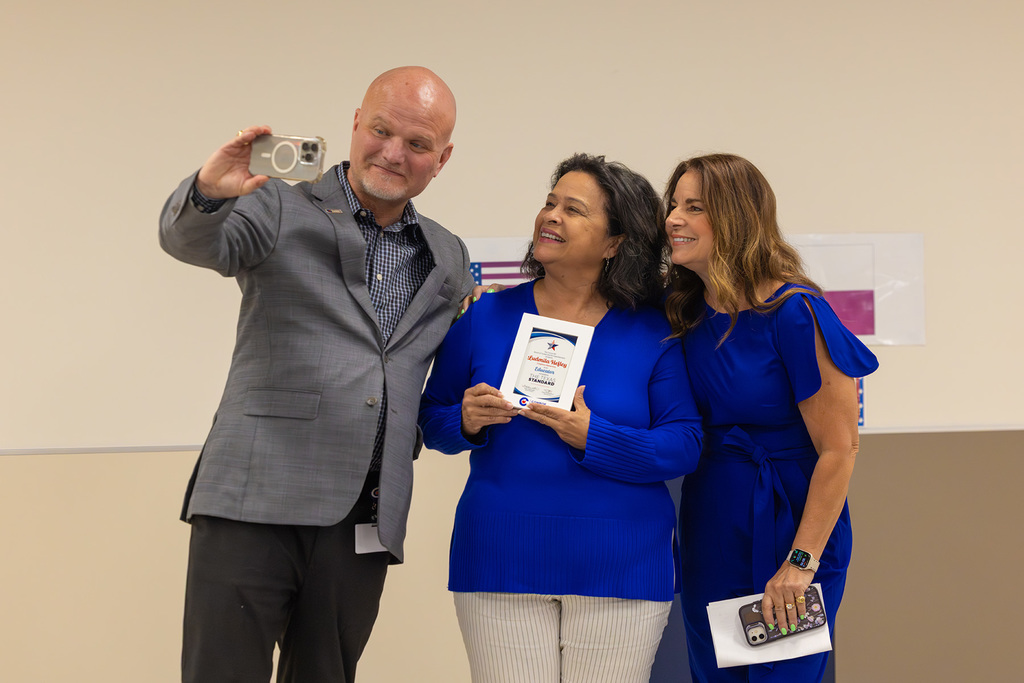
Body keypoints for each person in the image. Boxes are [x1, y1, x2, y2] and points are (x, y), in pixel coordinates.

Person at [158, 66, 475, 683]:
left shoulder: (450, 255)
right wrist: (207, 192)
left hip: (365, 513)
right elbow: (190, 242)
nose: (393, 153)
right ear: (356, 124)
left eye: (417, 144)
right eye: (382, 130)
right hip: (254, 501)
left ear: (442, 158)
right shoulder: (277, 203)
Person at [418, 153, 704, 683]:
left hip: (623, 565)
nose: (551, 216)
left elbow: (683, 444)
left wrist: (595, 436)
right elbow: (431, 421)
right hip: (500, 558)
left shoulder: (653, 330)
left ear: (616, 243)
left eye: (574, 209)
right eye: (550, 203)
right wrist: (465, 419)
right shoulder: (485, 315)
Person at [663, 153, 879, 681]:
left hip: (787, 525)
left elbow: (840, 448)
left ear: (736, 218)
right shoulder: (684, 310)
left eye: (694, 207)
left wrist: (801, 563)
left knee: (778, 674)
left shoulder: (794, 311)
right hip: (710, 521)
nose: (672, 219)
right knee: (714, 674)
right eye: (673, 205)